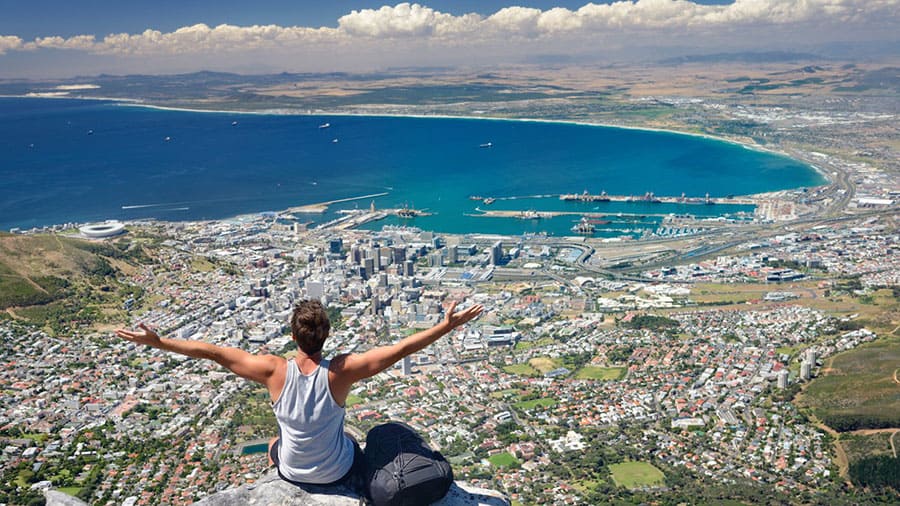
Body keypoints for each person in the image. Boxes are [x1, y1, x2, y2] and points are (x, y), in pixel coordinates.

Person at [115, 299, 483, 492]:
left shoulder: (273, 370)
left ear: (294, 336)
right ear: (326, 335)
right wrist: (446, 325)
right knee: (352, 439)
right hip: (338, 471)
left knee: (275, 439)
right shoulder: (341, 371)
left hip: (291, 471)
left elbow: (212, 351)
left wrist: (158, 342)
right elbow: (400, 350)